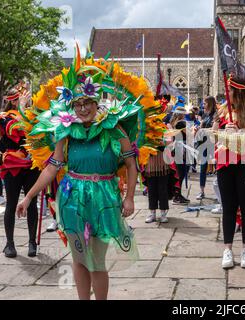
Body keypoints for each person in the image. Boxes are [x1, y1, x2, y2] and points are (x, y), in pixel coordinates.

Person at [16, 49, 162, 299]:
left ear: (97, 103)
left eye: (88, 103)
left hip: (104, 197)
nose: (83, 109)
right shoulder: (65, 132)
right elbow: (52, 166)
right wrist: (28, 197)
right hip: (72, 197)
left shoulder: (115, 129)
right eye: (78, 104)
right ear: (72, 106)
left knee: (96, 260)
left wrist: (129, 198)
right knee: (79, 257)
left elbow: (130, 164)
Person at [212, 76, 245, 269]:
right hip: (225, 165)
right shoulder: (222, 111)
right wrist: (224, 131)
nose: (228, 94)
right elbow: (213, 137)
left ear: (238, 92)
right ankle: (227, 249)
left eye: (230, 90)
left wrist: (244, 132)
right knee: (228, 207)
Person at [0, 88, 40, 258]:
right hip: (12, 166)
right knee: (11, 203)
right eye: (22, 98)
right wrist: (22, 107)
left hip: (31, 165)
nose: (28, 100)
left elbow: (37, 134)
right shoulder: (4, 117)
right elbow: (15, 131)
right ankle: (9, 243)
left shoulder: (34, 116)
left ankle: (31, 242)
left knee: (32, 202)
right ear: (14, 101)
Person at [195, 96, 217, 200]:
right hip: (204, 144)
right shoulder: (205, 114)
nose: (203, 105)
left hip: (213, 145)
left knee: (218, 168)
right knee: (203, 167)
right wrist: (198, 128)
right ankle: (202, 191)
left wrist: (203, 129)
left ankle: (220, 192)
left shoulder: (215, 115)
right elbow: (203, 128)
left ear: (210, 103)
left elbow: (214, 130)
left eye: (205, 103)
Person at [170, 105, 191, 204]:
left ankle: (177, 194)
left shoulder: (173, 122)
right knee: (181, 173)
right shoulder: (181, 123)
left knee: (179, 172)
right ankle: (177, 195)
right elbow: (189, 134)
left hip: (176, 148)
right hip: (181, 149)